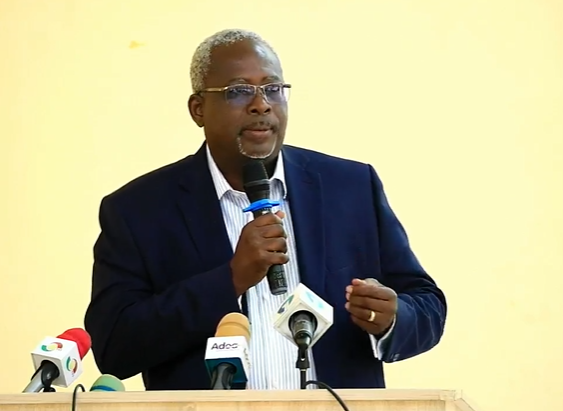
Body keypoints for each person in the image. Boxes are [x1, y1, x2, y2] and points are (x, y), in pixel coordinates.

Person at [84, 28, 447, 391]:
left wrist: (394, 317)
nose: (262, 104)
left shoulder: (350, 187)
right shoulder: (139, 210)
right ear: (198, 110)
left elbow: (427, 305)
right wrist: (230, 279)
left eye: (273, 89)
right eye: (239, 91)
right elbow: (115, 345)